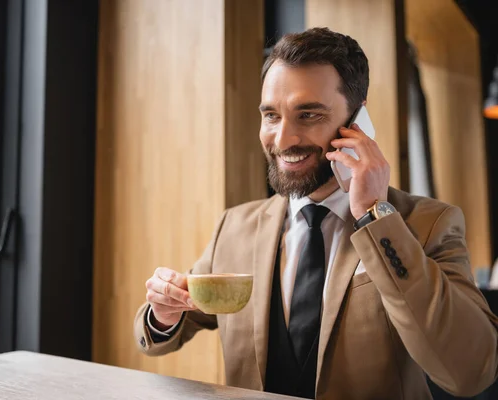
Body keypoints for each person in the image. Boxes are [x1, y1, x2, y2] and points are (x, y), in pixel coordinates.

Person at [133, 27, 498, 399]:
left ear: (358, 123)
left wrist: (375, 216)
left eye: (308, 115)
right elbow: (171, 324)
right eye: (272, 116)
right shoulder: (235, 226)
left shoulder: (428, 224)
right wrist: (164, 313)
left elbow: (471, 372)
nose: (283, 139)